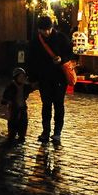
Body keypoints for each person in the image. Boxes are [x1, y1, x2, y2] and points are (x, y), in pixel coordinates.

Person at [27, 15, 72, 146]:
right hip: (44, 77)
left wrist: (61, 59)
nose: (46, 32)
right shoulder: (36, 41)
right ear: (39, 30)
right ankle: (45, 131)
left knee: (59, 104)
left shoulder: (61, 38)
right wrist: (32, 78)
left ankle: (57, 133)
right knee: (46, 104)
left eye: (47, 29)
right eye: (42, 30)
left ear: (52, 28)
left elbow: (70, 53)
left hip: (59, 77)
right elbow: (31, 60)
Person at [1, 68, 34, 142]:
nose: (22, 79)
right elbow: (5, 97)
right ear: (16, 77)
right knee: (13, 121)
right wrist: (6, 103)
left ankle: (22, 135)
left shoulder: (25, 86)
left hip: (22, 108)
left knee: (23, 122)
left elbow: (33, 87)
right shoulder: (11, 86)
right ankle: (11, 135)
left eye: (23, 77)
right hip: (13, 108)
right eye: (20, 77)